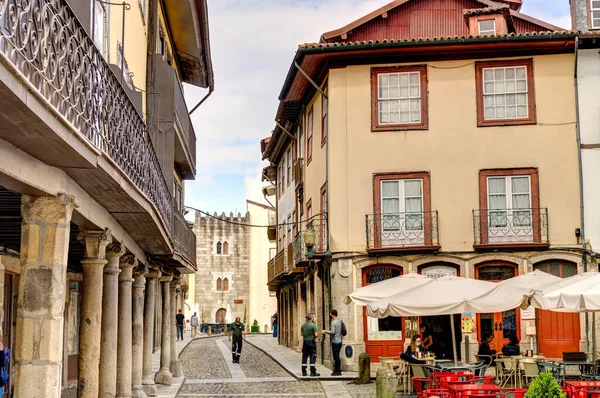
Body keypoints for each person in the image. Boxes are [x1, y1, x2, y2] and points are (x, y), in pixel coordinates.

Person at [322, 309, 343, 376]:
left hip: (335, 342)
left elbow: (333, 332)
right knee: (337, 356)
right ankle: (337, 370)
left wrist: (325, 331)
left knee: (336, 357)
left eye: (330, 314)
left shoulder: (333, 322)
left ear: (331, 314)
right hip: (340, 341)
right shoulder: (339, 321)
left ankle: (337, 371)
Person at [301, 312, 320, 377]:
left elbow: (301, 334)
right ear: (311, 318)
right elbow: (316, 335)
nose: (314, 318)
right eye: (314, 317)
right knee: (312, 356)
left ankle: (304, 372)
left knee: (304, 356)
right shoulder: (313, 325)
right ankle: (313, 371)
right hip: (311, 342)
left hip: (305, 342)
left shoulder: (303, 325)